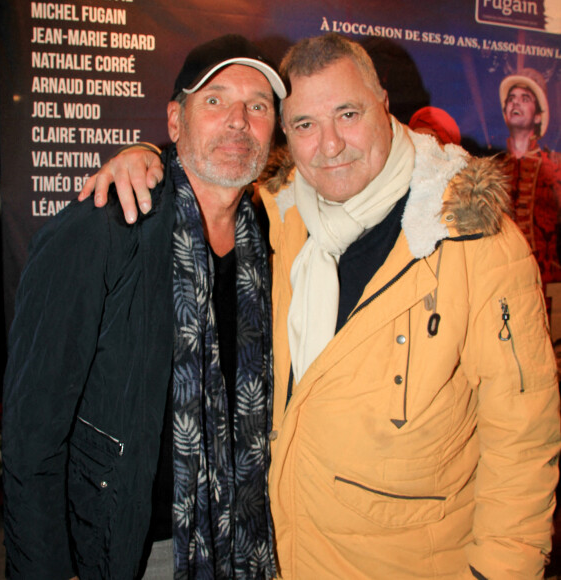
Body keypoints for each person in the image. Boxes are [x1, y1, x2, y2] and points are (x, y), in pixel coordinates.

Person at [81, 34, 560, 579]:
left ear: (383, 105)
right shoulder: (276, 214)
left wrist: (501, 572)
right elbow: (211, 158)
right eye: (305, 125)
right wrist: (147, 158)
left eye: (347, 114)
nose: (329, 145)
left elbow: (522, 438)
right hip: (285, 556)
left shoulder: (475, 240)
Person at [2, 34, 287, 579]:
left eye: (257, 106)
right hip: (134, 548)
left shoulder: (268, 234)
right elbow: (31, 434)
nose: (237, 120)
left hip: (244, 538)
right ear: (175, 122)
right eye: (214, 100)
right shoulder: (103, 225)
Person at [500, 68, 561, 286]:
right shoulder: (491, 168)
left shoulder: (555, 167)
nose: (515, 104)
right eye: (511, 99)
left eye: (525, 99)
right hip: (501, 279)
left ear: (537, 115)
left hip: (546, 282)